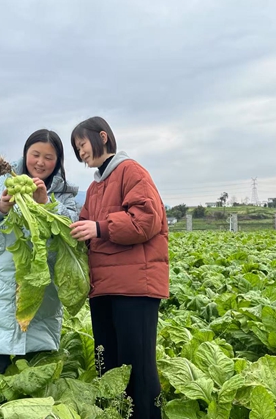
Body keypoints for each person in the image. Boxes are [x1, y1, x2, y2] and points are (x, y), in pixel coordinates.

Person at [69, 117, 169, 419]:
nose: (81, 152)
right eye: (77, 148)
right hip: (104, 288)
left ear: (103, 137)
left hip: (134, 287)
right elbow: (82, 227)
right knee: (109, 366)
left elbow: (146, 220)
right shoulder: (95, 185)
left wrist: (100, 228)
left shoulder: (131, 171)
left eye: (82, 144)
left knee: (136, 366)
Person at [0, 129, 79, 374]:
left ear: (58, 161)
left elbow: (72, 228)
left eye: (49, 157)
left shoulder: (64, 194)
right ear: (25, 153)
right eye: (35, 154)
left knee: (35, 382)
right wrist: (1, 207)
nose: (40, 162)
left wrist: (46, 204)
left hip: (42, 294)